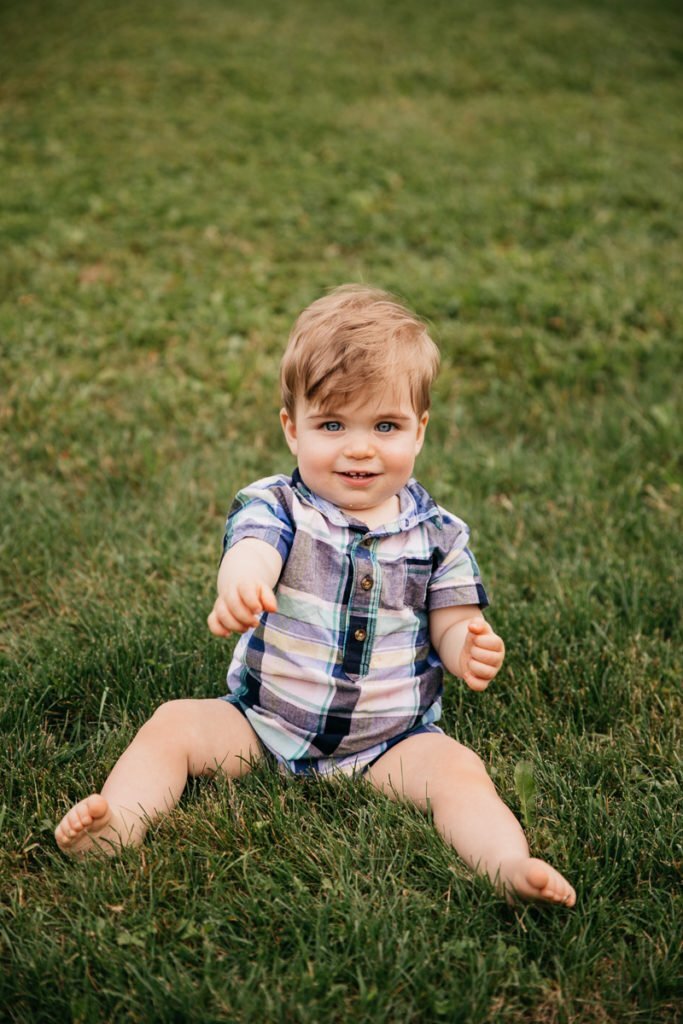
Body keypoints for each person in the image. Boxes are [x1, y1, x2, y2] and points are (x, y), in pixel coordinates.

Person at [55, 285, 575, 907]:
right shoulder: (277, 505)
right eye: (332, 424)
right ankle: (116, 825)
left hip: (392, 742)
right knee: (174, 726)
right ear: (291, 429)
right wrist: (242, 583)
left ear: (421, 431)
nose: (359, 447)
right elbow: (252, 549)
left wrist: (467, 648)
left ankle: (509, 867)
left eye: (386, 425)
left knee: (460, 772)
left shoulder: (440, 534)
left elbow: (453, 618)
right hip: (264, 723)